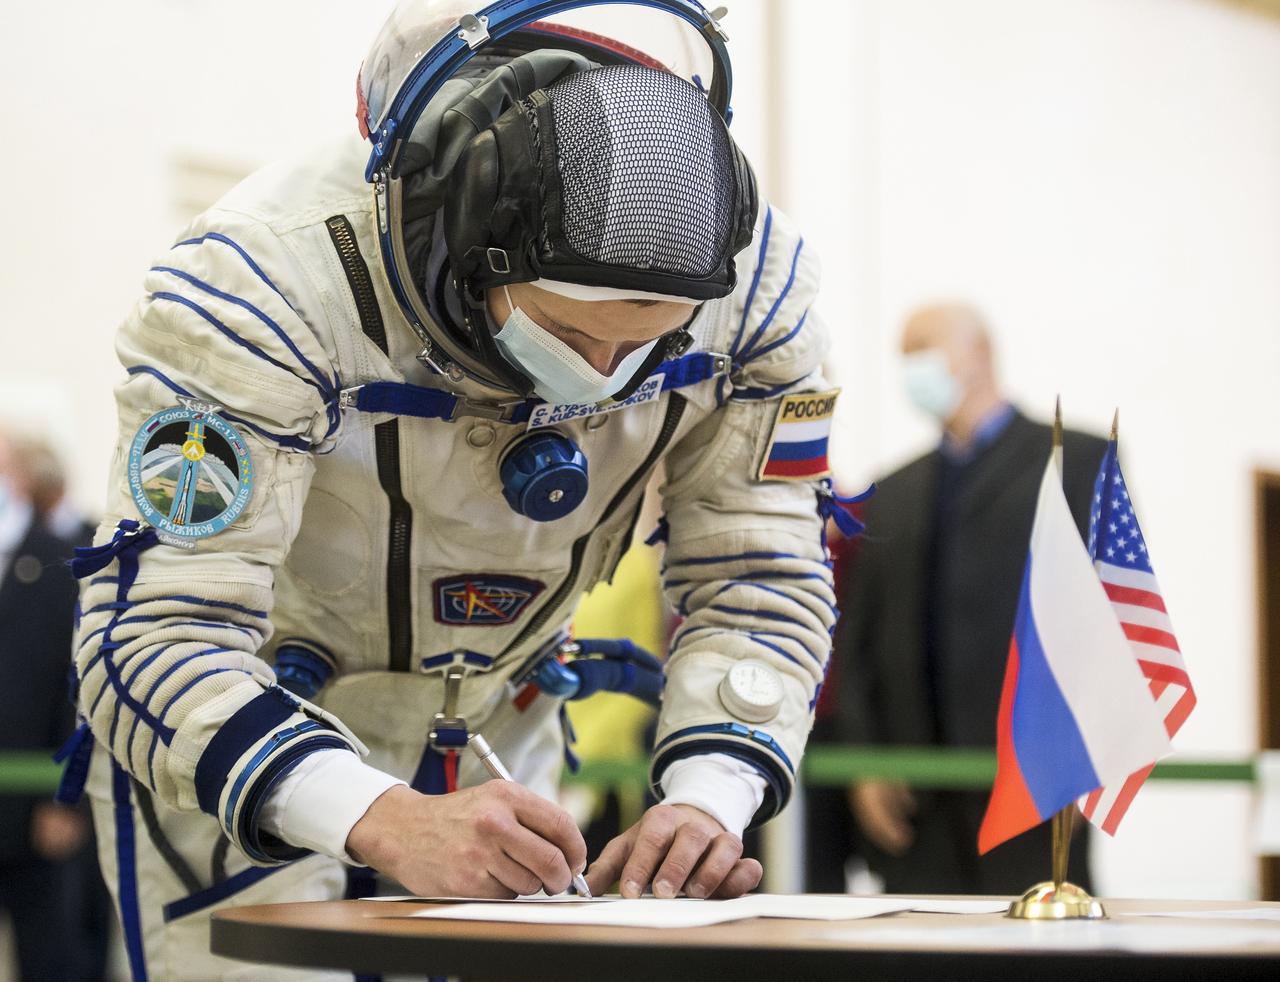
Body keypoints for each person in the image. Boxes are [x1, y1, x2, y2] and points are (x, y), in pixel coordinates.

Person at [68, 3, 840, 978]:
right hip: (242, 765)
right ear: (459, 240)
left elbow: (762, 579)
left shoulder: (758, 297)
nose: (603, 376)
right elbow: (151, 635)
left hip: (501, 760)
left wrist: (709, 792)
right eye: (568, 334)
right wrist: (377, 815)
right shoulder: (265, 284)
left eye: (646, 344)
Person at [832, 302, 1105, 895]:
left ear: (978, 354)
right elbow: (858, 641)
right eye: (903, 355)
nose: (912, 368)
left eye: (924, 348)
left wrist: (1086, 760)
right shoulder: (894, 491)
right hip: (916, 809)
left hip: (1033, 787)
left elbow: (1101, 622)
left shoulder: (1073, 462)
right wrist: (866, 764)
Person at [0, 429, 87, 980]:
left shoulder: (59, 566)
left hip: (36, 811)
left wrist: (67, 800)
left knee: (49, 956)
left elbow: (76, 689)